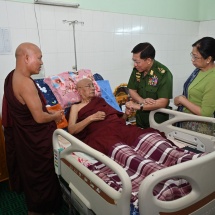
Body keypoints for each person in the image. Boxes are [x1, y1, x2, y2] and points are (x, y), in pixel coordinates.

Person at [2, 42, 63, 215]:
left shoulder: (11, 76)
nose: (41, 62)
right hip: (36, 142)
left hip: (24, 139)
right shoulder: (27, 84)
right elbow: (39, 117)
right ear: (26, 58)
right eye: (39, 57)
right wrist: (56, 116)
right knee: (43, 179)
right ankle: (42, 210)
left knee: (33, 179)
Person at [68, 78, 157, 155]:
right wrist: (91, 118)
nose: (92, 88)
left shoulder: (100, 100)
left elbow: (120, 120)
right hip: (101, 135)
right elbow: (71, 129)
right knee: (123, 152)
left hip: (120, 128)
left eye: (93, 85)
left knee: (151, 140)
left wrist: (126, 114)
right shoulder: (75, 107)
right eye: (89, 86)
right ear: (79, 91)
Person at [174, 37, 215, 135]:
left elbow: (206, 113)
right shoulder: (198, 71)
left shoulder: (213, 78)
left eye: (196, 57)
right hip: (185, 119)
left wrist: (182, 100)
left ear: (208, 59)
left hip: (199, 127)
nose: (192, 60)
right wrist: (179, 100)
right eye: (192, 55)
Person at [127, 42, 173, 128]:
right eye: (134, 61)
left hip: (157, 121)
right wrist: (142, 101)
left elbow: (163, 102)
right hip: (140, 119)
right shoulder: (137, 70)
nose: (135, 65)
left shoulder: (163, 74)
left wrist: (139, 106)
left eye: (137, 62)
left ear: (148, 60)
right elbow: (132, 90)